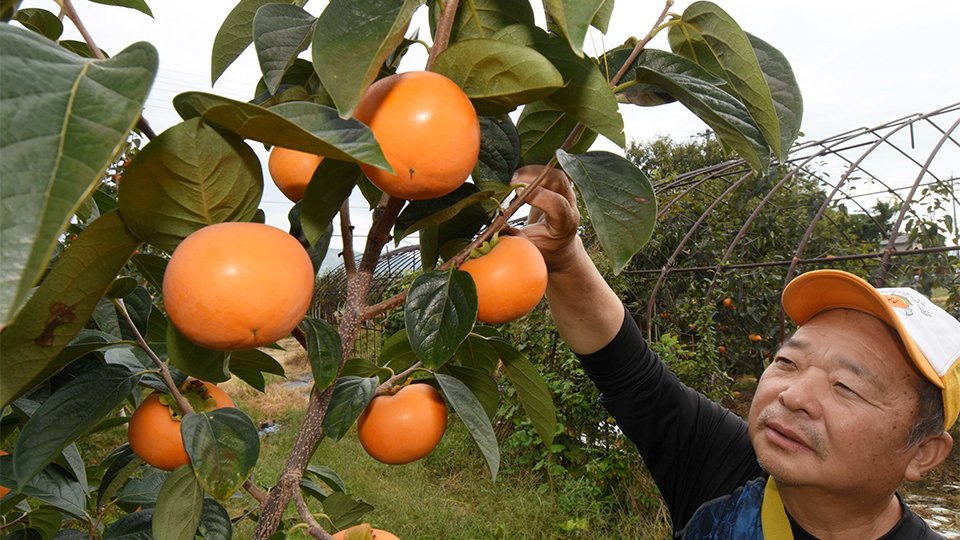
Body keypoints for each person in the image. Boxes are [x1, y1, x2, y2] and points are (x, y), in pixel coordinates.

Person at [510, 165, 960, 539]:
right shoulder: (727, 467)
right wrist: (566, 257)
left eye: (846, 385)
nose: (793, 395)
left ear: (923, 452)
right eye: (788, 362)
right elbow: (632, 375)